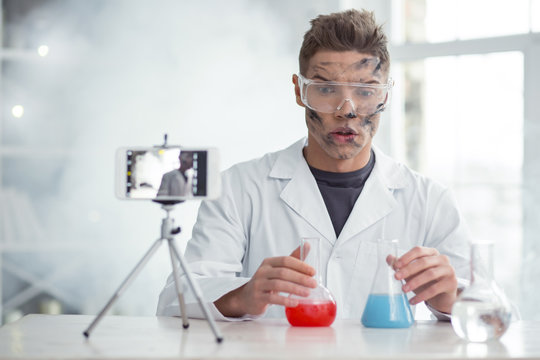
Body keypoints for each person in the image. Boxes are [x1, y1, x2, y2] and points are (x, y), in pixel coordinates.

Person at [157, 9, 470, 321]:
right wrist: (243, 296)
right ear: (299, 90)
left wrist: (448, 299)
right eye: (325, 88)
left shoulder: (431, 201)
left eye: (365, 91)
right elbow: (176, 299)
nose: (346, 110)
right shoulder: (239, 189)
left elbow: (488, 311)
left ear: (385, 96)